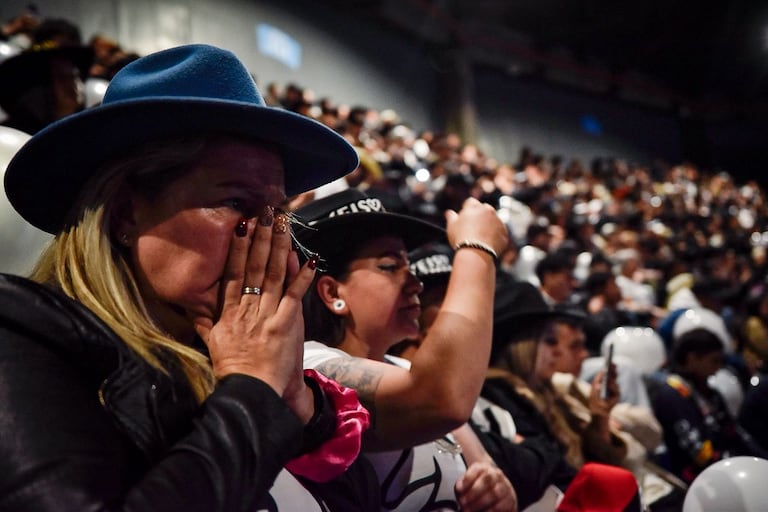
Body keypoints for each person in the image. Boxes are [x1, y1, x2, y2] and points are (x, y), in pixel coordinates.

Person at [1, 43, 379, 510]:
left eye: (277, 213)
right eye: (236, 203)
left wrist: (298, 402)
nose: (263, 238)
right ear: (124, 213)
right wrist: (254, 392)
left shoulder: (224, 350)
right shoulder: (19, 332)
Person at [294, 189, 516, 511]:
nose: (416, 283)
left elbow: (483, 466)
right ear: (332, 292)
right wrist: (476, 250)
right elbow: (442, 399)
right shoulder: (310, 368)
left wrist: (494, 490)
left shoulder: (401, 366)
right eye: (389, 266)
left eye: (408, 264)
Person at [650, 326, 768, 484]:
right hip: (696, 481)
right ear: (692, 359)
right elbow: (699, 452)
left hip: (725, 467)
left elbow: (735, 432)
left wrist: (760, 460)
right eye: (714, 361)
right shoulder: (672, 395)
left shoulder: (710, 393)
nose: (718, 369)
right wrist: (733, 466)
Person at [0, 18, 93, 134]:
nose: (75, 88)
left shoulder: (87, 132)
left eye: (75, 76)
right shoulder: (13, 136)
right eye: (62, 78)